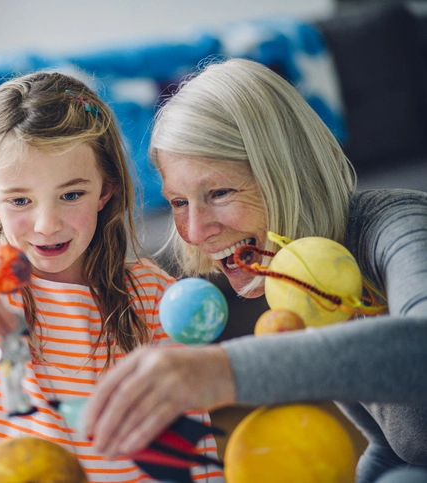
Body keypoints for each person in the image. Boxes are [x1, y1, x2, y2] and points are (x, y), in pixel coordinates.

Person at [81, 58, 427, 482]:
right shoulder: (304, 283)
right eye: (179, 202)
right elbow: (399, 449)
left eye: (220, 192)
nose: (195, 231)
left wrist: (221, 371)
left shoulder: (400, 225)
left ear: (288, 174)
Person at [0, 71, 224, 483]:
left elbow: (187, 437)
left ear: (106, 190)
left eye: (71, 195)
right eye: (20, 200)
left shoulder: (154, 294)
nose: (47, 224)